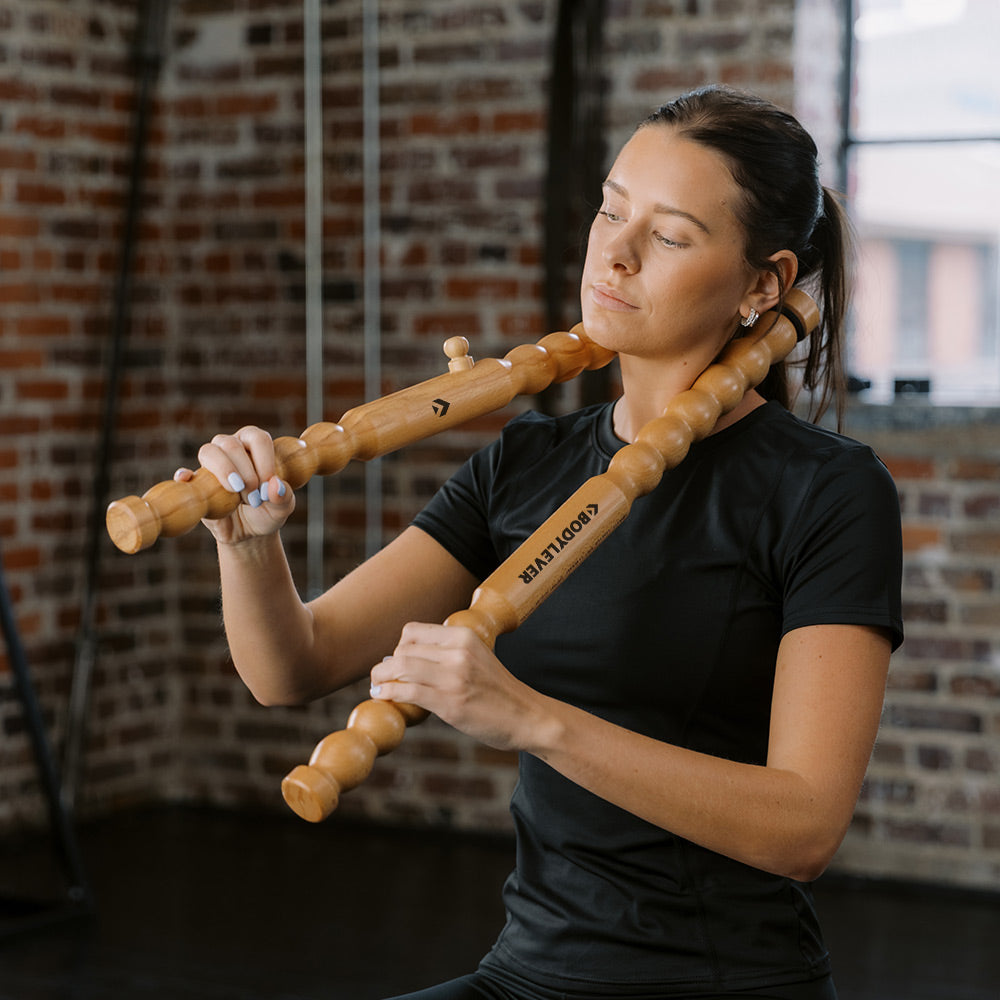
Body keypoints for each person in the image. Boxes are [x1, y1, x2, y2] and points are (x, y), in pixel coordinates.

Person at [176, 85, 903, 999]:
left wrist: (528, 717)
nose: (617, 252)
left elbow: (804, 829)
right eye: (610, 209)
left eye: (670, 236)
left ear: (765, 284)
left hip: (721, 983)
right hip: (527, 976)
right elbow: (294, 665)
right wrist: (244, 544)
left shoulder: (828, 492)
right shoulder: (527, 460)